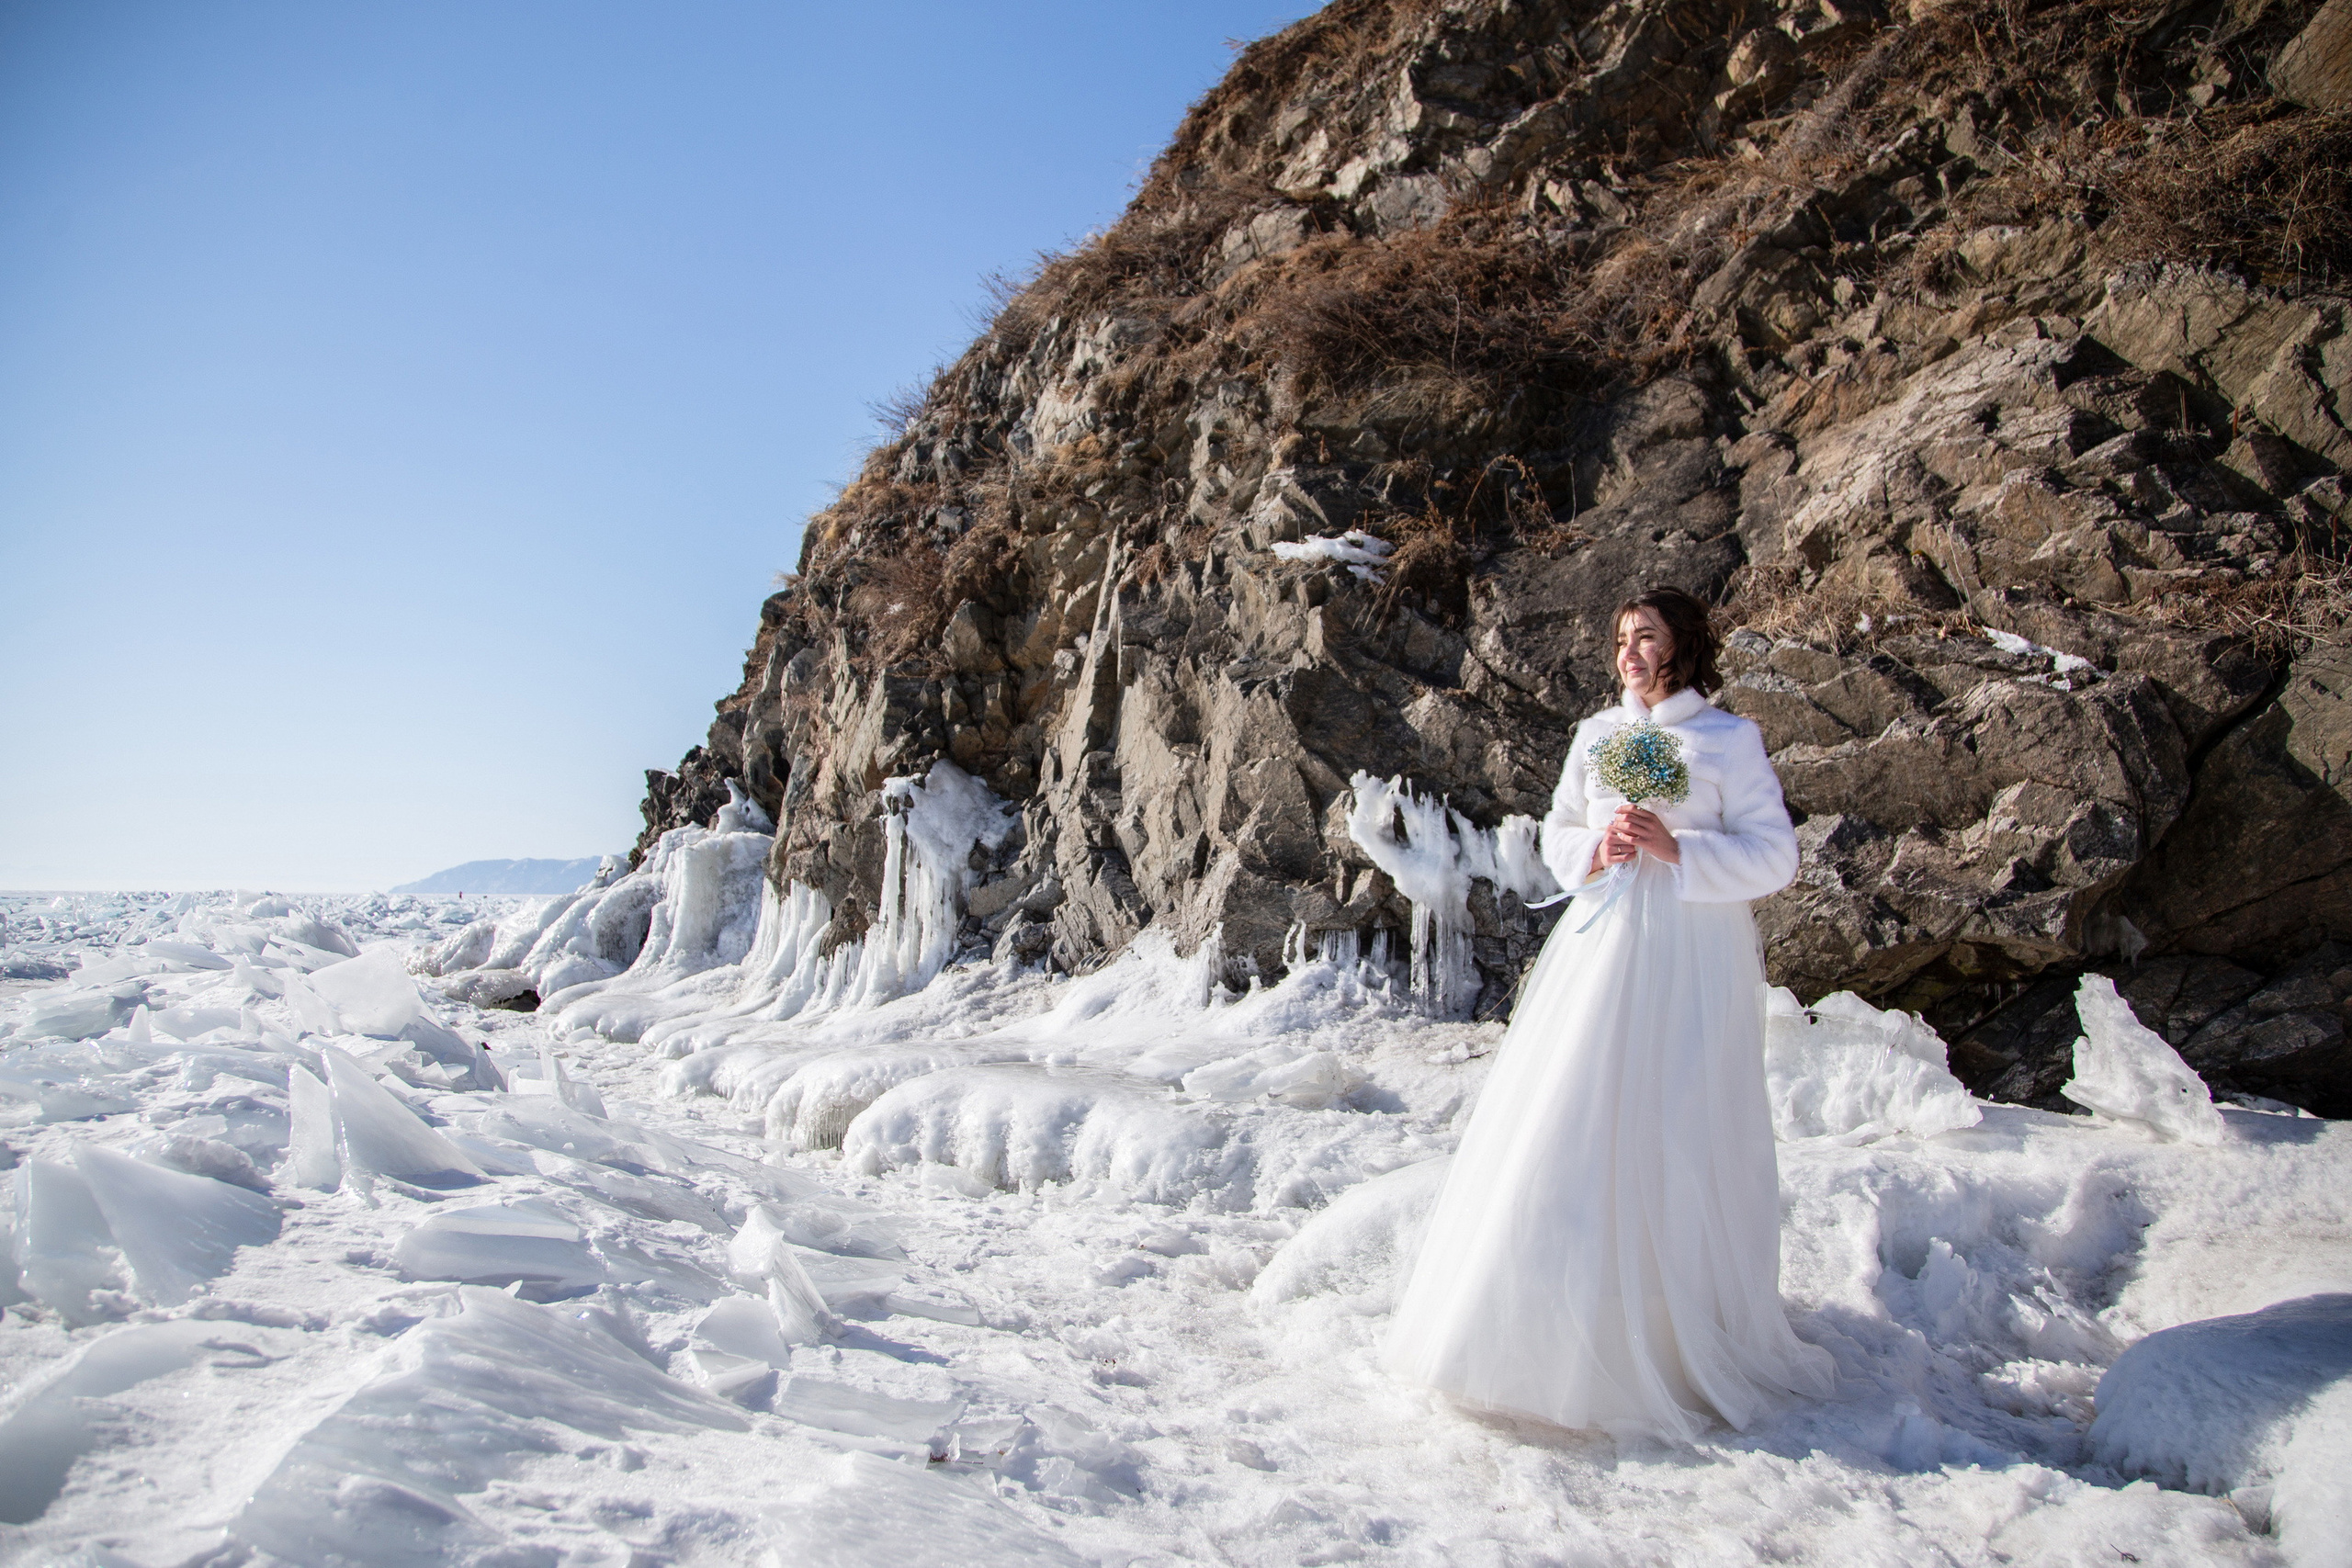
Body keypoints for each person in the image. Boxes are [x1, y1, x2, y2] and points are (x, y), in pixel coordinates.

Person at [1382, 585, 1836, 1441]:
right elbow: (1557, 830)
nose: (1630, 649)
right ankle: (1537, 1322)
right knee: (1573, 1108)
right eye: (1622, 635)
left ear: (1683, 646)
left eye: (1647, 635)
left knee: (1676, 1115)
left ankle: (1666, 1327)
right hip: (1602, 942)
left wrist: (1682, 847)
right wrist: (1599, 846)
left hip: (1692, 952)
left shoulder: (1729, 740)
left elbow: (1777, 854)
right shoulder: (1597, 735)